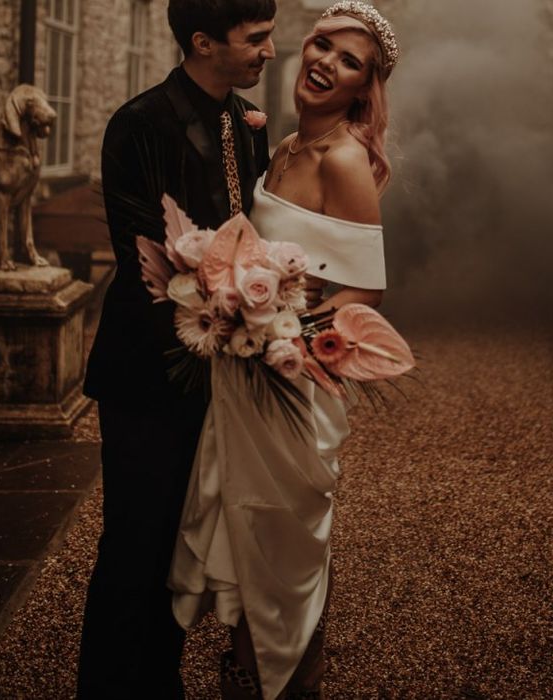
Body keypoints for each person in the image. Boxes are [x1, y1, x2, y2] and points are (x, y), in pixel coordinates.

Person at [166, 2, 400, 698]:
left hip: (293, 382)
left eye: (349, 60)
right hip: (244, 377)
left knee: (279, 550)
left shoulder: (345, 160)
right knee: (241, 542)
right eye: (323, 44)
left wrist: (280, 336)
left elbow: (367, 293)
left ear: (365, 86)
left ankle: (284, 681)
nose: (326, 60)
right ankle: (246, 677)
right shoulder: (282, 148)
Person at [78, 1, 277, 697]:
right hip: (146, 376)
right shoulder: (138, 124)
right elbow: (146, 263)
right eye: (256, 38)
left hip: (222, 374)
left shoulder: (244, 124)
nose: (270, 51)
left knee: (181, 549)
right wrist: (232, 321)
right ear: (202, 42)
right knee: (134, 544)